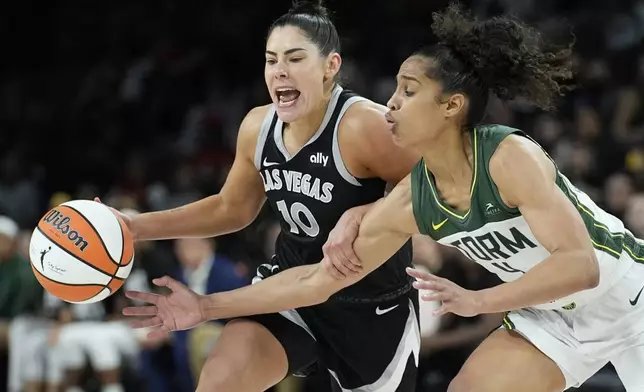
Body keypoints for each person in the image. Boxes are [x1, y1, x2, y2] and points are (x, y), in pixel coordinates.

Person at [124, 4, 644, 392]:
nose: (390, 102)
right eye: (395, 88)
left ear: (451, 106)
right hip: (547, 317)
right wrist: (206, 306)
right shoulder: (410, 199)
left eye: (408, 91)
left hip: (629, 300)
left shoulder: (508, 156)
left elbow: (581, 267)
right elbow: (314, 280)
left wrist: (478, 301)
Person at [106, 0, 420, 391]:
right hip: (288, 290)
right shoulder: (258, 126)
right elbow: (231, 208)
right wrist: (135, 227)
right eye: (272, 60)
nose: (280, 71)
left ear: (331, 66)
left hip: (372, 305)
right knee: (220, 383)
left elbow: (432, 184)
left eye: (295, 58)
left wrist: (365, 211)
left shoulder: (362, 125)